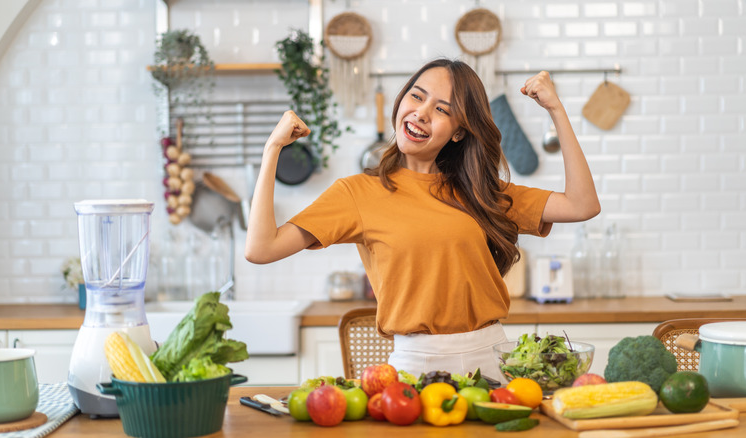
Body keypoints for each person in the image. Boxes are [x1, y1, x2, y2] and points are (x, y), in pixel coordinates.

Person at [245, 58, 600, 381]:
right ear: (400, 102)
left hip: (491, 362)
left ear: (459, 132)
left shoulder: (481, 191)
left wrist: (555, 109)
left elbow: (582, 205)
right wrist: (272, 149)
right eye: (416, 97)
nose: (421, 112)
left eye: (442, 109)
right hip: (414, 367)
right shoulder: (356, 193)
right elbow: (261, 249)